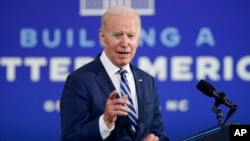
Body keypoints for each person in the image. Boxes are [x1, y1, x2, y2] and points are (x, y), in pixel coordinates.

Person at [60, 5, 169, 141]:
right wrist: (105, 122)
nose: (125, 43)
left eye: (131, 36)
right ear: (102, 37)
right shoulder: (79, 81)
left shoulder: (147, 80)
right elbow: (70, 138)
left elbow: (160, 132)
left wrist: (156, 139)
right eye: (117, 35)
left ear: (138, 39)